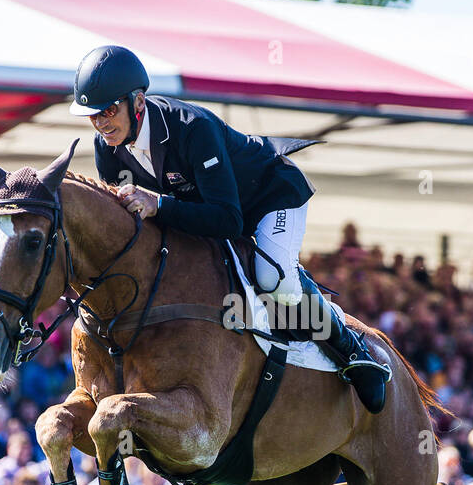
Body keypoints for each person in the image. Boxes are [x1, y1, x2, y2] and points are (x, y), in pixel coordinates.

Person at [70, 44, 391, 413]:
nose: (101, 123)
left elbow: (228, 220)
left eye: (108, 110)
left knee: (273, 278)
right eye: (92, 115)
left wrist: (158, 204)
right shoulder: (105, 146)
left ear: (138, 101)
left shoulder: (192, 129)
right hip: (207, 209)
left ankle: (351, 349)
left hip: (270, 197)